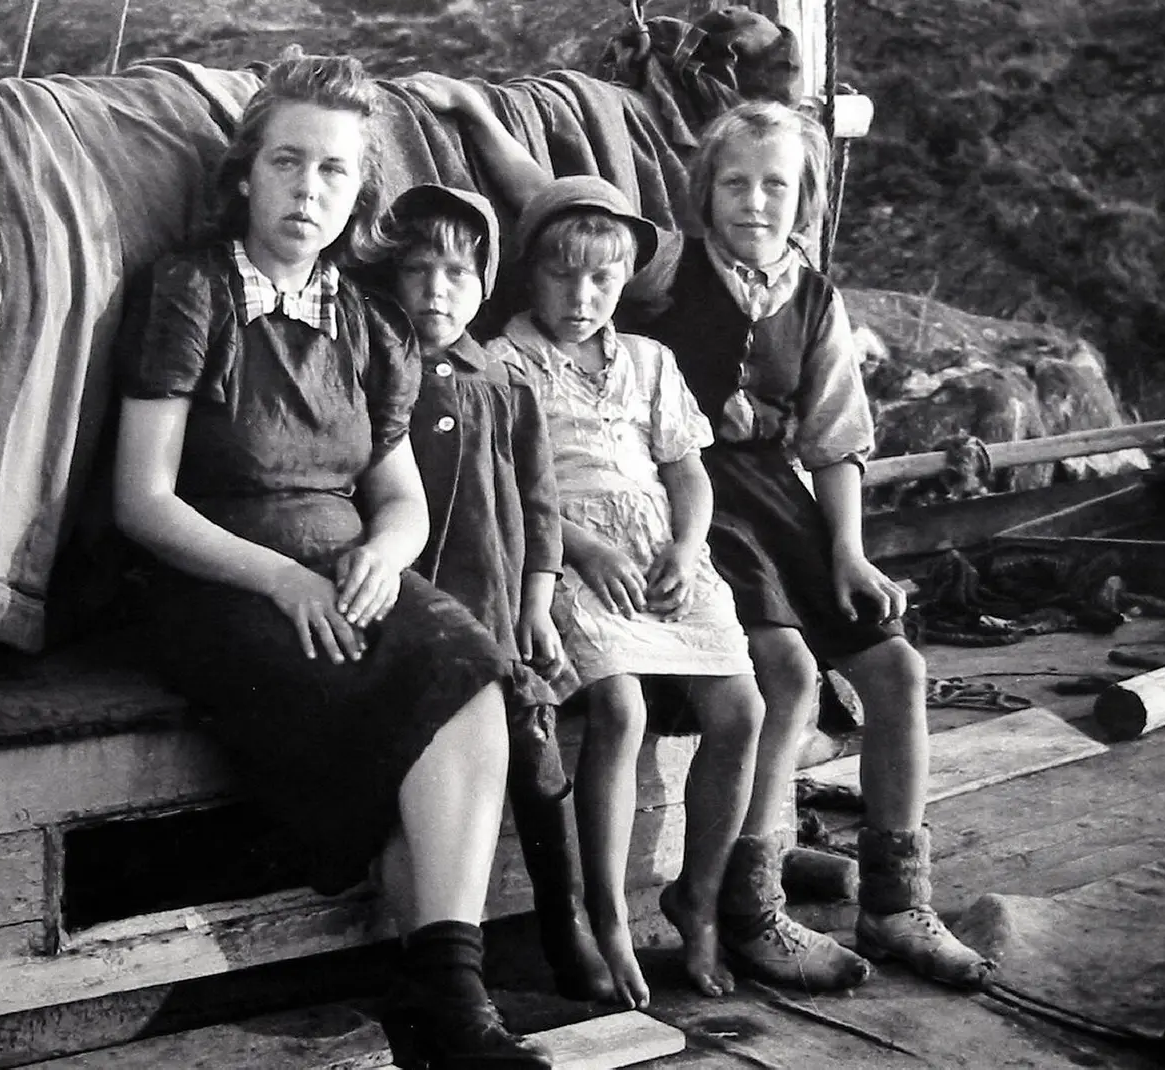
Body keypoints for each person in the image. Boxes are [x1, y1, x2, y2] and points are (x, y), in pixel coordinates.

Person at [407, 76, 993, 993]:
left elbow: (835, 441)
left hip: (773, 495)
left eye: (778, 186)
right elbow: (552, 213)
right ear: (703, 192)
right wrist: (482, 123)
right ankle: (749, 904)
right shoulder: (664, 266)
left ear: (807, 198)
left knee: (898, 667)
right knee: (788, 671)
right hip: (682, 495)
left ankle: (896, 901)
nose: (756, 203)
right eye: (736, 185)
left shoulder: (816, 297)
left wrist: (847, 550)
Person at [111, 55, 552, 1069]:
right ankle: (447, 1011)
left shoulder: (368, 317)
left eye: (336, 171)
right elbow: (142, 497)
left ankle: (446, 999)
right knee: (413, 714)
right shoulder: (193, 290)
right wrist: (280, 577)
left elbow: (397, 494)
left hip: (345, 564)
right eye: (288, 162)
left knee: (473, 672)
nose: (309, 190)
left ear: (360, 190)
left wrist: (388, 555)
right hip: (218, 572)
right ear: (246, 174)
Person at [487, 174, 767, 1011]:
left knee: (742, 709)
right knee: (620, 708)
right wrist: (580, 546)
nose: (582, 297)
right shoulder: (506, 361)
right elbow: (505, 484)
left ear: (624, 282)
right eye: (562, 276)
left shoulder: (649, 361)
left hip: (660, 552)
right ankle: (605, 916)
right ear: (530, 273)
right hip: (563, 551)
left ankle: (700, 899)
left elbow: (688, 471)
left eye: (602, 279)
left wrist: (688, 546)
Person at [372, 181, 614, 1002]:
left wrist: (539, 600)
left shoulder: (505, 381)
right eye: (417, 271)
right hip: (418, 609)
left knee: (538, 755)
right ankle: (430, 956)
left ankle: (565, 918)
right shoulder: (379, 368)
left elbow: (541, 505)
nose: (437, 291)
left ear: (485, 285)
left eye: (457, 273)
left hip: (499, 606)